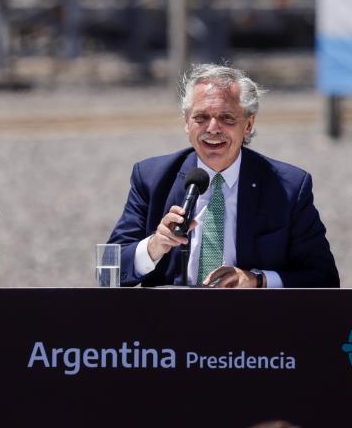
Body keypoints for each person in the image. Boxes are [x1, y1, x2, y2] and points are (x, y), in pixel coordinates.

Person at [108, 64, 339, 288]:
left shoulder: (289, 186)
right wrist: (155, 245)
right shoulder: (152, 178)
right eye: (201, 118)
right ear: (186, 123)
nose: (213, 128)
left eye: (227, 118)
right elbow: (109, 270)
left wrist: (257, 280)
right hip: (171, 321)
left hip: (252, 321)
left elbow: (323, 278)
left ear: (248, 125)